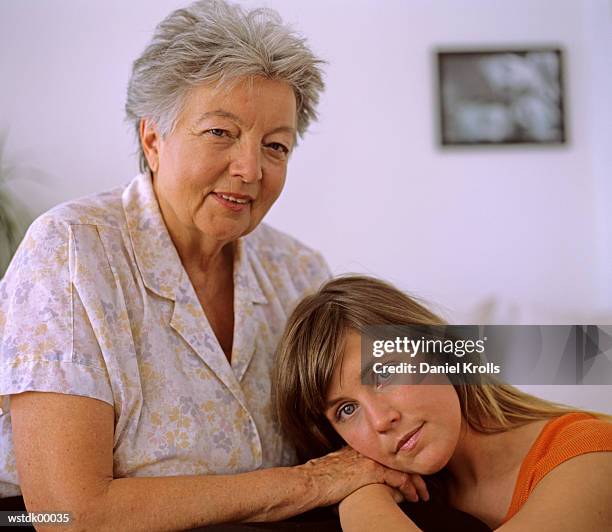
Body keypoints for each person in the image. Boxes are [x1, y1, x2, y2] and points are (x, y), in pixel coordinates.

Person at [0, 2, 421, 529]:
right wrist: (312, 482)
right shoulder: (71, 250)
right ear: (153, 139)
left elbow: (388, 415)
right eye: (220, 133)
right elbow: (67, 514)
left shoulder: (298, 269)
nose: (250, 169)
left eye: (276, 146)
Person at [273, 275, 612, 531]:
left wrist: (358, 495)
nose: (379, 420)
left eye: (384, 373)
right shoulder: (415, 494)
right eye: (346, 410)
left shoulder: (592, 455)